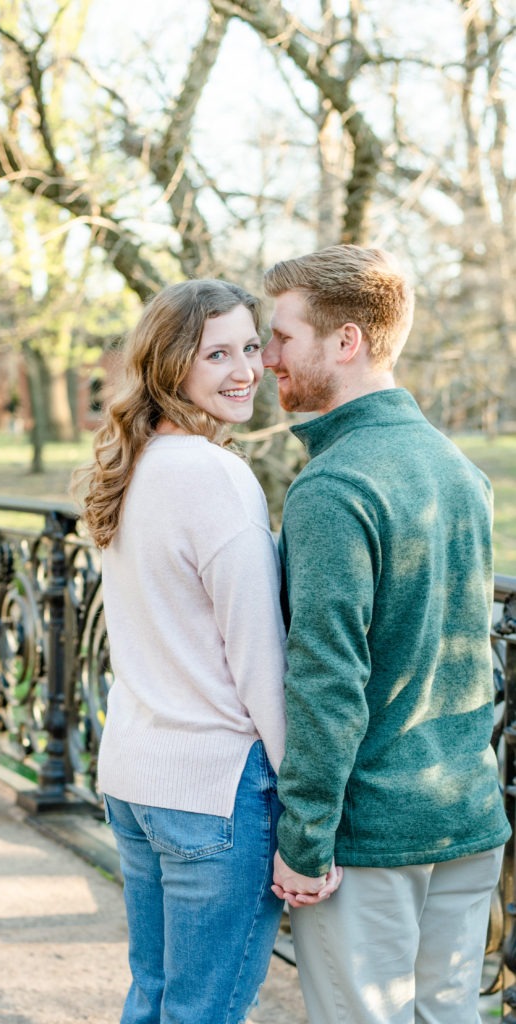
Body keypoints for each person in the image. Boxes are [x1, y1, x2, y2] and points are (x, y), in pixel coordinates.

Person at [75, 279, 338, 1024]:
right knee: (204, 1012)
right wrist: (306, 807)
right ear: (170, 366)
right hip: (214, 790)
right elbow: (259, 661)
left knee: (156, 998)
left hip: (134, 776)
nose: (245, 370)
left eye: (252, 348)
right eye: (216, 353)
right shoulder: (216, 477)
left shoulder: (130, 467)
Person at [261, 243, 511, 1024]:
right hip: (466, 814)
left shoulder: (334, 489)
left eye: (282, 336)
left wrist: (303, 840)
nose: (267, 358)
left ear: (347, 342)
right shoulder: (458, 470)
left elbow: (327, 680)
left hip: (373, 836)